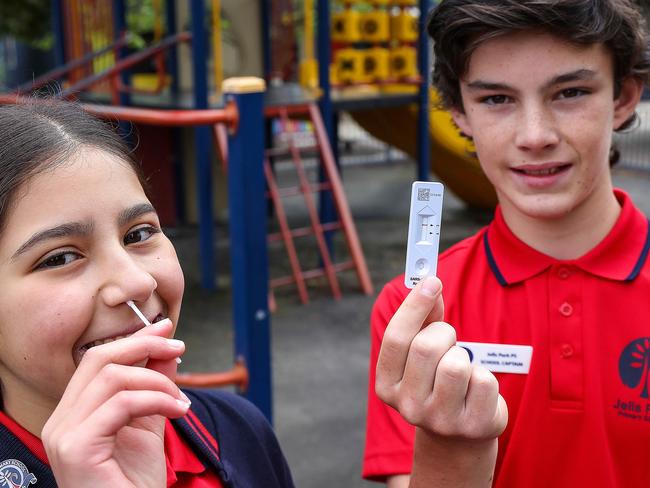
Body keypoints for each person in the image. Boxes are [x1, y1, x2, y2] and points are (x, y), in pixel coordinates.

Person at [0, 99, 504, 487]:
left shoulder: (235, 430)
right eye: (61, 257)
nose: (136, 281)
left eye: (139, 233)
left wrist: (453, 454)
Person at [363, 0, 650, 487]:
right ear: (459, 112)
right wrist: (451, 450)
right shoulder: (413, 310)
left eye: (571, 92)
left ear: (624, 97)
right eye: (497, 99)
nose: (534, 136)